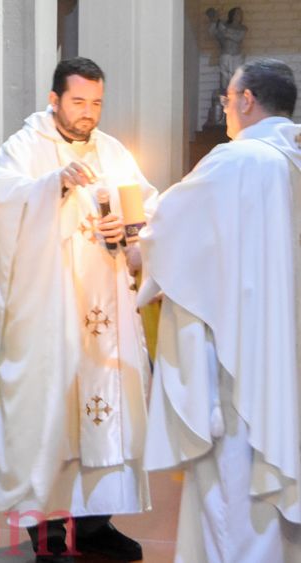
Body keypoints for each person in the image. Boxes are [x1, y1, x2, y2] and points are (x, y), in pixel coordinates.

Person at [0, 57, 157, 562]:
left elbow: (145, 206)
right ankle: (49, 532)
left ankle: (95, 522)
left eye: (96, 103)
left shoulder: (112, 150)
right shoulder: (23, 147)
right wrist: (53, 184)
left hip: (104, 314)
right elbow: (5, 201)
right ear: (54, 99)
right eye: (78, 102)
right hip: (47, 310)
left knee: (104, 409)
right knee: (50, 410)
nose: (88, 113)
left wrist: (128, 229)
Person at [141, 58, 301, 563]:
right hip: (286, 358)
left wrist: (138, 242)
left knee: (235, 497)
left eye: (227, 99)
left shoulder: (237, 161)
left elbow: (169, 231)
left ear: (247, 100)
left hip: (243, 366)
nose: (227, 109)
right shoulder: (292, 159)